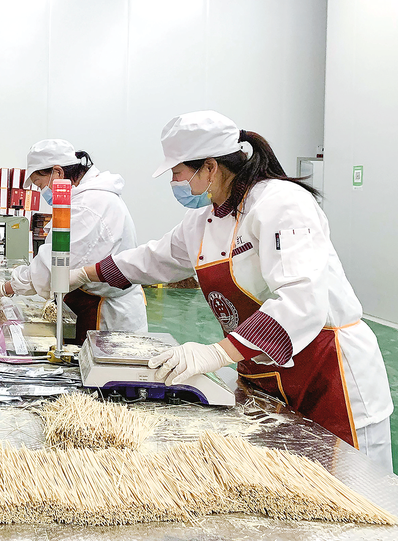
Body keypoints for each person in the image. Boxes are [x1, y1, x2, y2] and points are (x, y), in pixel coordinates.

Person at [70, 110, 393, 469]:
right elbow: (153, 258)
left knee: (350, 485)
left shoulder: (281, 203)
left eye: (177, 172)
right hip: (266, 374)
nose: (175, 182)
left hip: (328, 372)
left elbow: (301, 299)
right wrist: (83, 273)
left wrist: (218, 352)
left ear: (210, 167)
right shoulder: (202, 220)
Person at [0, 139, 147, 343]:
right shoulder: (87, 198)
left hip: (107, 316)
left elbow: (51, 268)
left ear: (58, 172)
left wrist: (4, 288)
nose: (42, 192)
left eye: (40, 184)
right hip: (93, 301)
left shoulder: (88, 205)